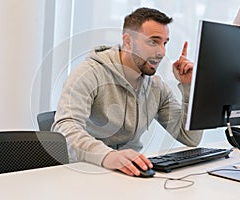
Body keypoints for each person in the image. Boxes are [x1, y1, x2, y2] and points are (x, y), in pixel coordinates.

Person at [53, 7, 203, 176]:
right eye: (153, 41)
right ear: (128, 41)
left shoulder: (155, 86)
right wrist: (109, 156)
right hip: (84, 172)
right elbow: (65, 130)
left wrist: (189, 87)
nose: (162, 52)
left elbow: (190, 138)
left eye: (165, 43)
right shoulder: (89, 74)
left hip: (129, 175)